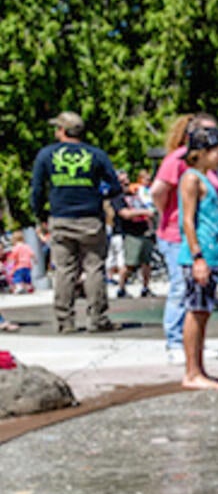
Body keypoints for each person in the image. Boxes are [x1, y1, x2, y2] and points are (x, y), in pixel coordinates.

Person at [30, 111, 122, 334]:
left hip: (61, 217)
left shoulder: (46, 155)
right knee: (94, 268)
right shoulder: (96, 154)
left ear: (62, 131)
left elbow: (37, 189)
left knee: (64, 270)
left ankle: (65, 321)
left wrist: (40, 215)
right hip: (90, 218)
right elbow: (116, 186)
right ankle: (97, 319)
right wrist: (98, 195)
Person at [151, 113, 218, 364]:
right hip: (177, 235)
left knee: (199, 298)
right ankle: (175, 342)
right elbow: (158, 191)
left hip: (205, 239)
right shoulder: (179, 161)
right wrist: (168, 214)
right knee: (182, 289)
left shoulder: (208, 167)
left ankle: (194, 346)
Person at [176, 125, 218, 390]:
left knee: (203, 312)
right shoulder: (191, 179)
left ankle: (198, 369)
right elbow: (188, 220)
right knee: (195, 312)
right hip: (198, 257)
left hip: (211, 257)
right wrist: (198, 257)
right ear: (201, 153)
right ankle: (191, 373)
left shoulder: (206, 178)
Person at [111, 172, 156, 298]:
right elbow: (125, 214)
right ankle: (121, 288)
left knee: (146, 262)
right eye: (122, 181)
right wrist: (145, 212)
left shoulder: (137, 195)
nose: (126, 183)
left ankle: (146, 288)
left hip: (144, 230)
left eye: (127, 180)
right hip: (129, 233)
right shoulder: (118, 198)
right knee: (129, 263)